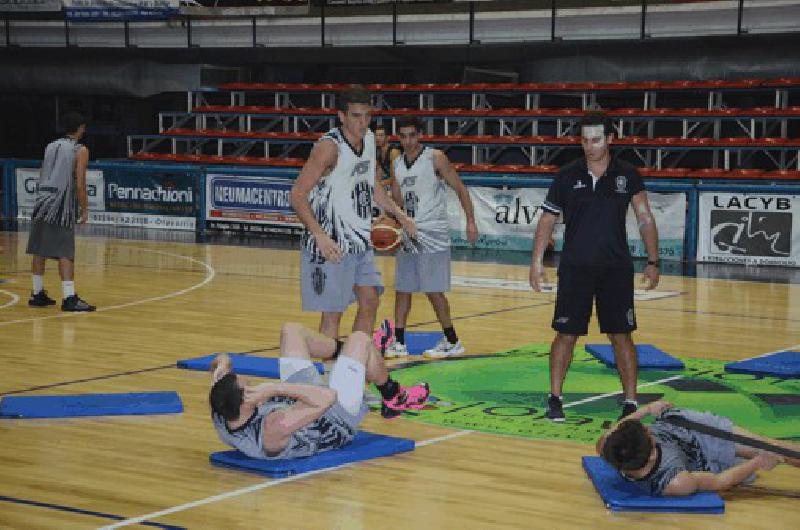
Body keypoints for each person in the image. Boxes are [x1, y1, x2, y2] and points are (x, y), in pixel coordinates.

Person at [529, 110, 659, 422]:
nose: (590, 146)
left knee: (621, 335)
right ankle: (555, 398)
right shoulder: (566, 175)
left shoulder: (628, 174)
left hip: (616, 269)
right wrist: (536, 263)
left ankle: (630, 401)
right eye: (585, 140)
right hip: (575, 268)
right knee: (565, 335)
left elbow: (645, 218)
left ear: (610, 139)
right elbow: (547, 219)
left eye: (596, 140)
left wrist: (653, 261)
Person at [289, 85, 416, 341]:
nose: (363, 122)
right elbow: (297, 195)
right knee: (333, 315)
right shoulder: (329, 147)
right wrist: (320, 237)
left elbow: (373, 185)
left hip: (359, 241)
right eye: (357, 116)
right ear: (342, 116)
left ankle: (353, 367)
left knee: (370, 301)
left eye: (367, 116)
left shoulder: (369, 139)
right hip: (332, 244)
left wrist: (400, 215)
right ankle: (327, 378)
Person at [209, 322, 431, 459]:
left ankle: (364, 359)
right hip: (333, 416)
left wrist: (221, 364)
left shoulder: (222, 408)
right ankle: (393, 395)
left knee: (292, 330)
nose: (250, 383)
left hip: (295, 400)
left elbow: (222, 359)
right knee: (360, 339)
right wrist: (273, 388)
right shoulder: (271, 429)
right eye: (247, 386)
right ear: (245, 401)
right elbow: (327, 398)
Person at [383, 116, 478, 359]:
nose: (407, 141)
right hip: (408, 231)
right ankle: (399, 341)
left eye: (412, 135)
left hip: (432, 232)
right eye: (402, 136)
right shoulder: (397, 163)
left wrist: (470, 220)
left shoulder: (435, 158)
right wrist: (390, 221)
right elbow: (397, 199)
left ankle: (452, 340)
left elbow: (460, 188)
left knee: (433, 290)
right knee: (403, 288)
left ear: (421, 135)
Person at [595, 401, 800, 496]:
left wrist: (647, 410)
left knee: (771, 447)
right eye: (649, 435)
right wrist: (758, 463)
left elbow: (619, 428)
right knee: (766, 451)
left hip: (684, 424)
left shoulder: (610, 446)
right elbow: (720, 482)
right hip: (703, 453)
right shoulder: (675, 482)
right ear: (650, 457)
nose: (649, 429)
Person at [26, 111, 95, 312]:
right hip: (60, 204)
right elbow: (80, 183)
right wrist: (84, 208)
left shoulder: (50, 146)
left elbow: (42, 173)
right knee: (65, 251)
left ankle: (37, 293)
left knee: (40, 249)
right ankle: (69, 297)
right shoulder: (80, 149)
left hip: (42, 200)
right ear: (81, 127)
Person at [372, 123, 402, 218]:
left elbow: (397, 178)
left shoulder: (394, 152)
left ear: (388, 138)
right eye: (376, 135)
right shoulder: (379, 153)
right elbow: (378, 176)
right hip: (392, 185)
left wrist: (380, 184)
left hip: (403, 185)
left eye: (381, 135)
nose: (378, 138)